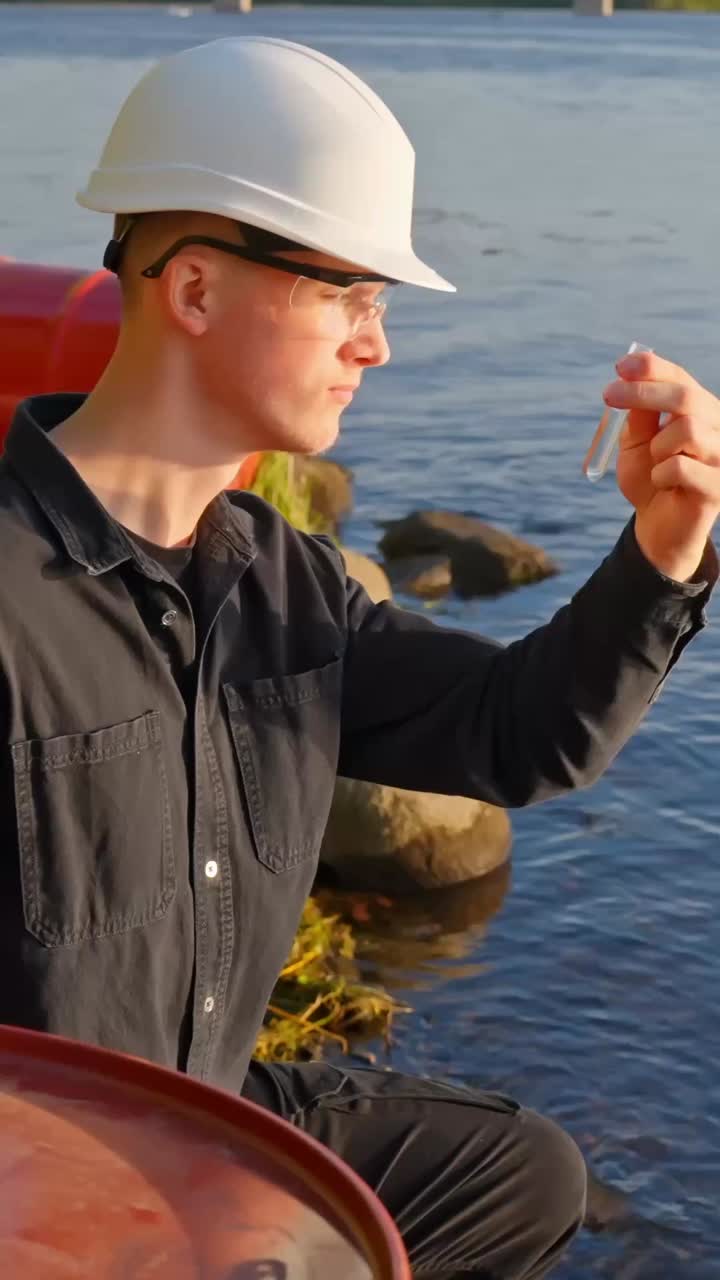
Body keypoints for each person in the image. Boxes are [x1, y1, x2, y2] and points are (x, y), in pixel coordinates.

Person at [3, 36, 719, 1280]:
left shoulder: (289, 586)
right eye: (348, 293)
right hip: (37, 1189)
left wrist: (663, 551)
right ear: (195, 289)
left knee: (522, 1174)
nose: (374, 345)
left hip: (206, 1121)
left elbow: (520, 731)